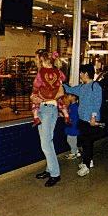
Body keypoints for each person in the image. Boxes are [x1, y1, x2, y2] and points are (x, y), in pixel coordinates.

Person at [32, 50, 66, 187]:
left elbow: (61, 92)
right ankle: (50, 169)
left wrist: (42, 98)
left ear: (42, 59)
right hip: (42, 108)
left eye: (37, 59)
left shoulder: (55, 73)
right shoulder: (43, 74)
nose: (35, 61)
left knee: (46, 144)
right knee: (45, 142)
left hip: (48, 109)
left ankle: (55, 174)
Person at [63, 64, 102, 177]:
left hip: (91, 120)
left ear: (86, 74)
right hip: (82, 119)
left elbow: (97, 103)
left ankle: (86, 166)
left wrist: (93, 117)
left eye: (81, 73)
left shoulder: (95, 86)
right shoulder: (82, 87)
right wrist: (61, 84)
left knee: (87, 142)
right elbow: (70, 89)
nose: (80, 75)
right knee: (85, 142)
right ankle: (88, 160)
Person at [31, 51, 69, 127]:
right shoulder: (57, 71)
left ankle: (35, 117)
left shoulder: (41, 72)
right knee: (60, 101)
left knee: (35, 102)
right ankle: (66, 115)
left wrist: (34, 92)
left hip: (45, 101)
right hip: (54, 96)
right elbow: (64, 78)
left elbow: (36, 83)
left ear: (43, 61)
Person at [64, 94, 80, 160]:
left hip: (73, 126)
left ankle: (73, 153)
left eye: (69, 96)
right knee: (71, 140)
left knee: (71, 140)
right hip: (71, 125)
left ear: (73, 97)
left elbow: (75, 117)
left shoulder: (76, 106)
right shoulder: (71, 105)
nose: (67, 97)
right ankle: (76, 151)